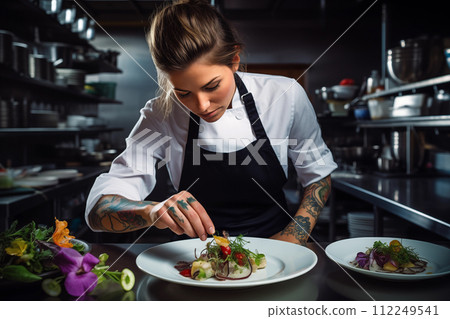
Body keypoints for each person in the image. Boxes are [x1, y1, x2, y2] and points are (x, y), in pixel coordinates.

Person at [85, 0, 337, 245]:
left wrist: (294, 236)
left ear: (234, 60)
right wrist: (151, 211)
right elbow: (100, 209)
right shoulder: (161, 116)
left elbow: (318, 174)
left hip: (274, 246)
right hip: (192, 257)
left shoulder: (284, 96)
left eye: (212, 86)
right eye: (183, 93)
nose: (202, 105)